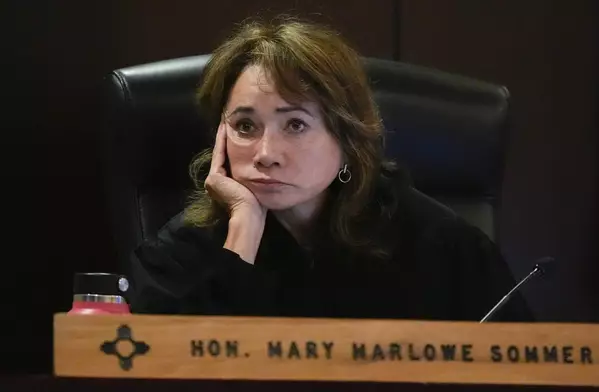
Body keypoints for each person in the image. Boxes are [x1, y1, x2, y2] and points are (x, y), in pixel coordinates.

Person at [127, 17, 533, 322]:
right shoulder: (180, 253)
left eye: (296, 125)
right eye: (245, 126)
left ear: (348, 138)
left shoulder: (442, 247)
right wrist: (244, 231)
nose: (267, 153)